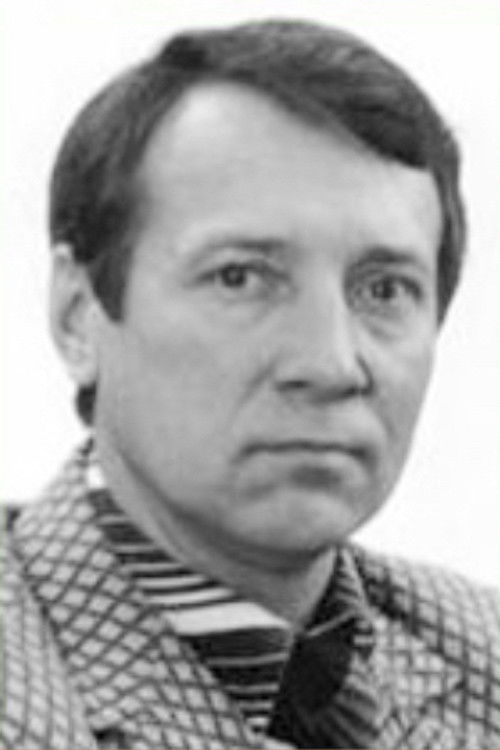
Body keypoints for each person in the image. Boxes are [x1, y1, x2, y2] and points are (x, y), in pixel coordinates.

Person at [2, 18, 499, 750]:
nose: (331, 364)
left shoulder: (480, 655)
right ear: (78, 317)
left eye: (384, 290)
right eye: (240, 277)